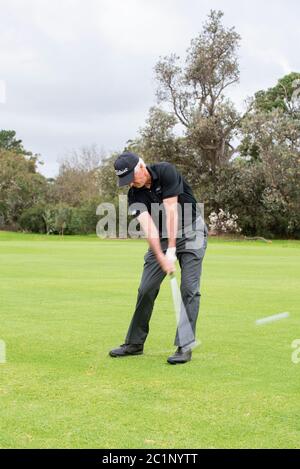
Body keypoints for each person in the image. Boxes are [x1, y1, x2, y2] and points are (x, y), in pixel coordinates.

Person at [109, 152, 207, 364]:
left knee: (189, 289)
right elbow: (149, 229)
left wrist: (171, 250)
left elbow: (172, 211)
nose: (132, 183)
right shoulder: (134, 196)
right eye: (126, 181)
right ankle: (134, 343)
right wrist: (162, 256)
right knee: (146, 288)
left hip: (191, 231)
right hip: (161, 236)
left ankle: (184, 346)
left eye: (133, 177)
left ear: (142, 166)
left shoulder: (166, 171)